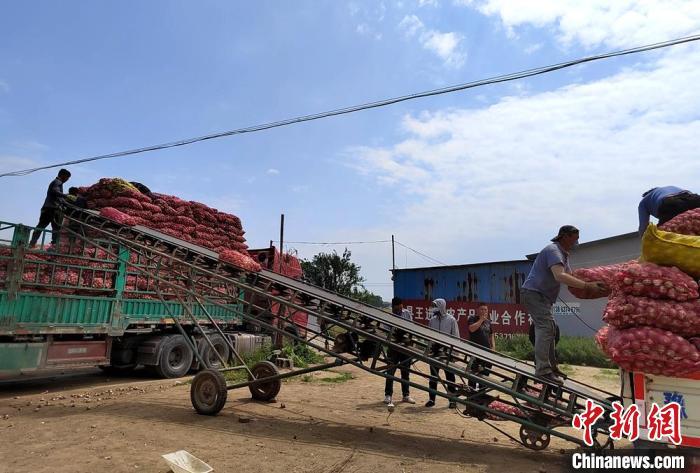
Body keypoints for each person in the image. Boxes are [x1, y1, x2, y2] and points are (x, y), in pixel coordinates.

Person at [521, 226, 606, 384]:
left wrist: (595, 283)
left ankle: (551, 367)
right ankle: (542, 371)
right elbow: (560, 276)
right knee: (545, 328)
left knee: (551, 329)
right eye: (575, 238)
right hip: (534, 294)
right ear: (564, 237)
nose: (576, 243)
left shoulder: (563, 255)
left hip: (542, 297)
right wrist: (587, 286)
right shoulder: (554, 251)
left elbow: (571, 277)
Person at [425, 298, 460, 408]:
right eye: (433, 306)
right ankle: (431, 399)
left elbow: (455, 337)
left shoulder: (451, 320)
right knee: (433, 376)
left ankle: (452, 400)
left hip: (447, 352)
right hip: (435, 351)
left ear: (442, 306)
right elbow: (429, 336)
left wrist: (455, 354)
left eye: (436, 305)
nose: (434, 308)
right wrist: (429, 349)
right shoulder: (432, 320)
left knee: (450, 377)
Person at [383, 297, 416, 407]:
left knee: (405, 372)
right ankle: (388, 395)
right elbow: (386, 331)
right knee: (390, 371)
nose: (400, 309)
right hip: (393, 347)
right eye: (397, 308)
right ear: (393, 307)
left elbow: (411, 326)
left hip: (405, 346)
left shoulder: (406, 313)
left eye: (401, 307)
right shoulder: (389, 316)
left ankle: (406, 395)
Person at [29, 169, 71, 247]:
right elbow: (55, 191)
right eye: (67, 178)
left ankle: (32, 243)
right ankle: (54, 246)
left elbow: (59, 198)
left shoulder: (56, 182)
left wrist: (66, 203)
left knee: (41, 226)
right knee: (56, 228)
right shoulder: (58, 182)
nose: (67, 180)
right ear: (63, 176)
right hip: (53, 209)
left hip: (47, 208)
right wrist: (66, 196)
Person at [467, 303, 494, 389]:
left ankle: (481, 393)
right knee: (473, 373)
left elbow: (491, 334)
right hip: (475, 352)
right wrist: (481, 320)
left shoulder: (488, 322)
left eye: (485, 309)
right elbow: (471, 329)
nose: (484, 311)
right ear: (477, 310)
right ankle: (471, 392)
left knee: (485, 373)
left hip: (486, 352)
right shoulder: (472, 318)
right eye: (482, 309)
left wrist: (493, 347)